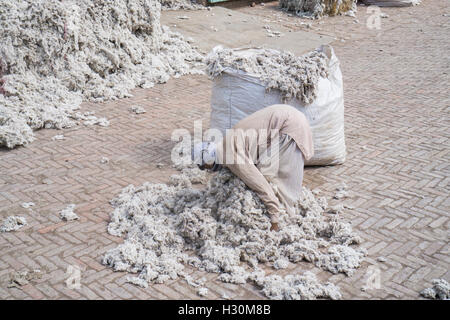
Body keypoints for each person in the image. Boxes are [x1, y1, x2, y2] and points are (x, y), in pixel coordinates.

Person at [193, 104, 314, 232]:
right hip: (290, 116)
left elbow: (259, 184)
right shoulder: (226, 144)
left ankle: (286, 218)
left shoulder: (229, 155)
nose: (207, 169)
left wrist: (274, 218)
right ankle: (286, 212)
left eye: (204, 166)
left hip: (289, 127)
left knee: (275, 180)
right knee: (267, 171)